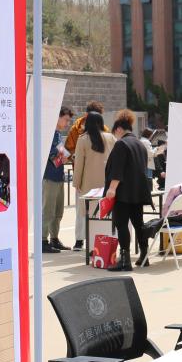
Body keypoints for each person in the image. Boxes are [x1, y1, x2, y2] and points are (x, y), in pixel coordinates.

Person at [103, 109, 151, 272]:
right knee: (139, 223)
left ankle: (125, 261)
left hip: (123, 192)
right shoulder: (140, 144)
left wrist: (111, 189)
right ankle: (144, 255)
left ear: (118, 129)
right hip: (138, 191)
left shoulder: (121, 144)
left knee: (122, 224)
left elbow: (117, 169)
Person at [72, 111, 116, 251]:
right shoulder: (111, 137)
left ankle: (89, 245)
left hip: (88, 184)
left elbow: (79, 164)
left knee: (88, 215)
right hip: (107, 182)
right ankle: (104, 245)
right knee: (105, 214)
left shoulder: (83, 139)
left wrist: (76, 183)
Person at [42, 106, 73, 254]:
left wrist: (65, 156)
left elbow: (62, 155)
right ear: (57, 117)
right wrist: (65, 157)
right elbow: (56, 157)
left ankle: (54, 238)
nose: (67, 123)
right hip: (50, 177)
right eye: (66, 119)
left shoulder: (58, 134)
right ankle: (43, 241)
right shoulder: (49, 134)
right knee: (48, 210)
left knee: (58, 210)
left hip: (58, 176)